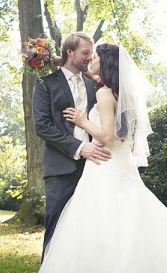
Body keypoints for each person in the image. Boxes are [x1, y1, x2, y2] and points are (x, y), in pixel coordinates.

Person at [39, 43, 167, 272]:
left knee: (100, 223)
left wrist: (83, 122)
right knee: (129, 221)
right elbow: (89, 73)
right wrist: (59, 60)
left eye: (95, 56)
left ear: (106, 61)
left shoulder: (103, 93)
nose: (91, 59)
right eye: (88, 55)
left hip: (103, 165)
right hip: (121, 166)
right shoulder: (121, 92)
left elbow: (107, 136)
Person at [32, 32, 112, 258]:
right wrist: (80, 148)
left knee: (88, 229)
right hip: (61, 168)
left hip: (94, 168)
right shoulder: (45, 84)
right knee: (56, 226)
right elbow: (43, 126)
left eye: (91, 53)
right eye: (85, 53)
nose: (89, 57)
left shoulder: (94, 84)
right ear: (70, 52)